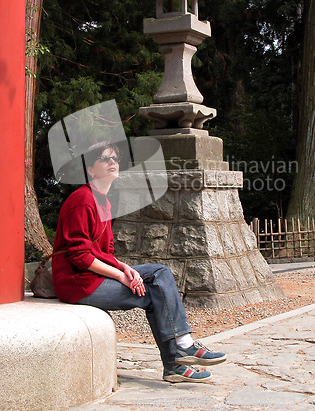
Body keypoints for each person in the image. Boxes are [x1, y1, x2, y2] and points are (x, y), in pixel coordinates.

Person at [52, 140, 226, 383]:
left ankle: (177, 358)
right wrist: (120, 276)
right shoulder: (82, 200)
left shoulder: (103, 200)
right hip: (77, 283)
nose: (113, 162)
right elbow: (80, 257)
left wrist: (125, 268)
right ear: (91, 169)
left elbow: (106, 251)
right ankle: (179, 354)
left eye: (116, 158)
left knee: (160, 274)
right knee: (156, 291)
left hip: (93, 276)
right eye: (105, 158)